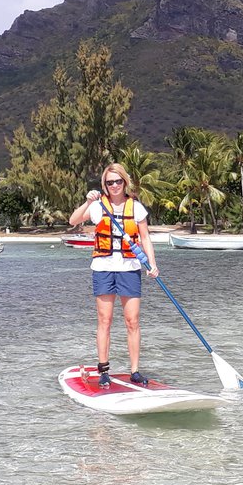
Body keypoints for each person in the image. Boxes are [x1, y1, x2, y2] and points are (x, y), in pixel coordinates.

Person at [68, 163, 159, 388]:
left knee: (132, 321)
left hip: (129, 268)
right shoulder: (98, 206)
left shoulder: (136, 207)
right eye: (110, 182)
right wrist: (88, 201)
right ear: (104, 185)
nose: (115, 185)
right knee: (105, 320)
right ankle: (104, 371)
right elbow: (73, 220)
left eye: (118, 181)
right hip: (104, 267)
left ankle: (135, 371)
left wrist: (152, 264)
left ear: (125, 182)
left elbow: (145, 238)